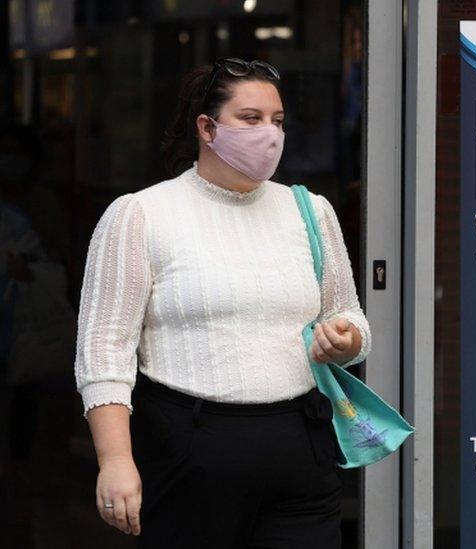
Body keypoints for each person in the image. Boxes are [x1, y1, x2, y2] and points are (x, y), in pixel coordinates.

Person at [73, 58, 371, 547]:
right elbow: (104, 351)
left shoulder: (310, 211)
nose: (269, 134)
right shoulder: (141, 214)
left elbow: (349, 316)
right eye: (250, 118)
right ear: (207, 127)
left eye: (277, 121)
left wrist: (345, 338)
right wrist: (116, 460)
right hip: (188, 448)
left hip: (300, 445)